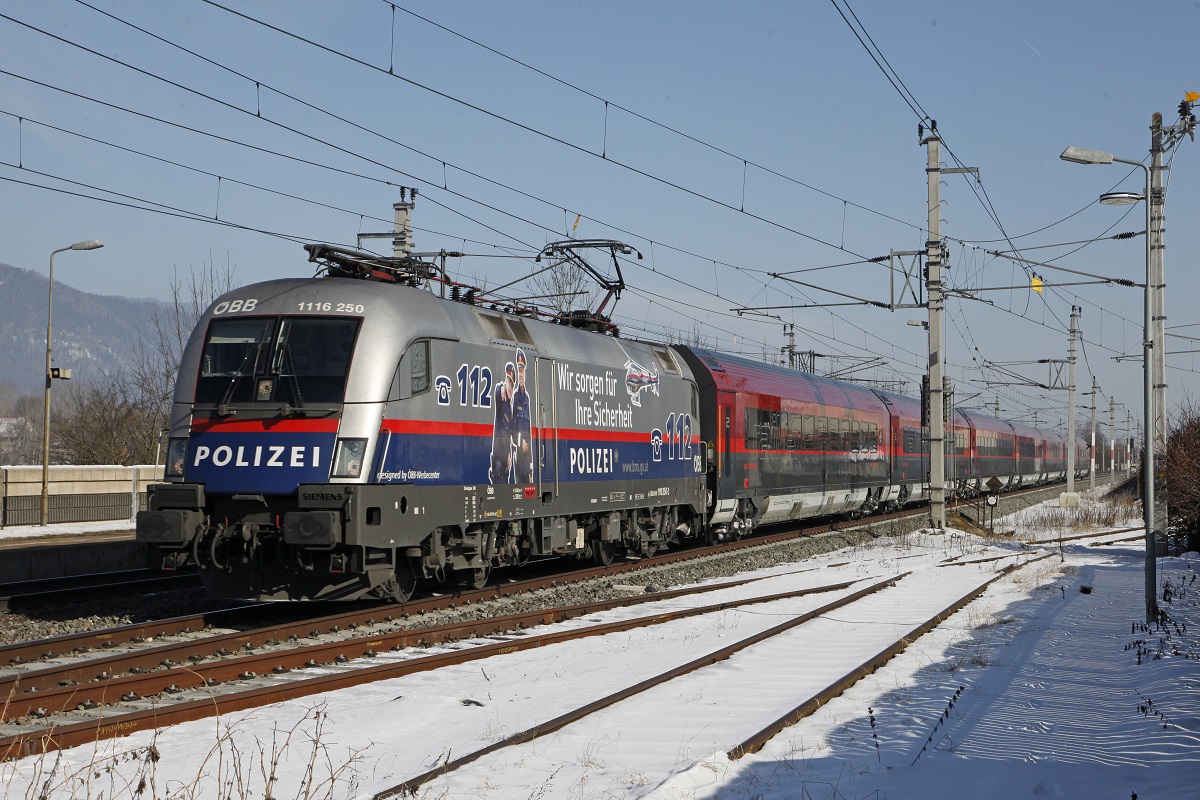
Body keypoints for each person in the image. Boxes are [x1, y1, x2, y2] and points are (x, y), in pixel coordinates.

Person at [489, 362, 515, 483]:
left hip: (505, 464)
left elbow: (508, 435)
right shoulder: (502, 398)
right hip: (498, 463)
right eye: (508, 382)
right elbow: (497, 392)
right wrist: (502, 387)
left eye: (512, 384)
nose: (510, 386)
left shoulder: (509, 409)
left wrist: (509, 454)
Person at [512, 349, 533, 483]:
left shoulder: (527, 398)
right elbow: (512, 428)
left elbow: (530, 430)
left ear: (525, 373)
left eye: (522, 371)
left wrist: (531, 466)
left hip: (528, 457)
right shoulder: (515, 397)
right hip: (519, 457)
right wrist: (521, 441)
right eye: (518, 371)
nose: (520, 374)